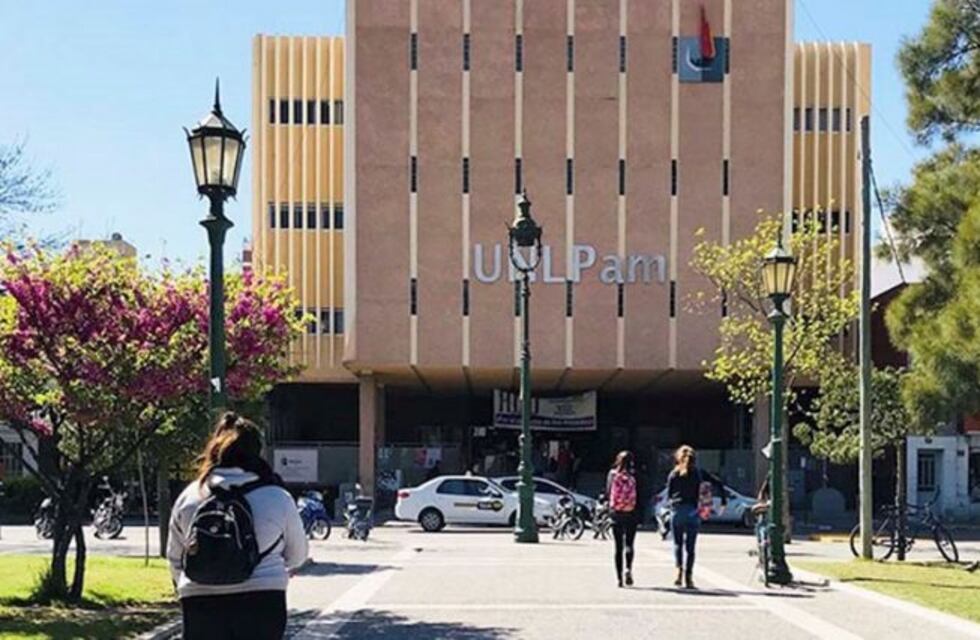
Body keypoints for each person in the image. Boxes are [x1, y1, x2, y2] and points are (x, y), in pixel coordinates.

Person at [167, 412, 308, 640]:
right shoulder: (277, 497)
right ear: (257, 452)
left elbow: (175, 558)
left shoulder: (190, 495)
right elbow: (298, 556)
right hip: (262, 600)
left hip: (200, 601)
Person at [665, 445, 727, 589]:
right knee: (691, 547)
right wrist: (723, 501)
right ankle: (689, 577)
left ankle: (678, 571)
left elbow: (669, 495)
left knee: (677, 544)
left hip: (678, 510)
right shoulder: (699, 473)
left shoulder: (674, 474)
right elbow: (718, 482)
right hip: (694, 511)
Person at [606, 450, 638, 588]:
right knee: (629, 544)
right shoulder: (634, 475)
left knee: (618, 547)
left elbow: (608, 492)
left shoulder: (613, 474)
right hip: (631, 512)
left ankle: (619, 578)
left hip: (616, 512)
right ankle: (628, 569)